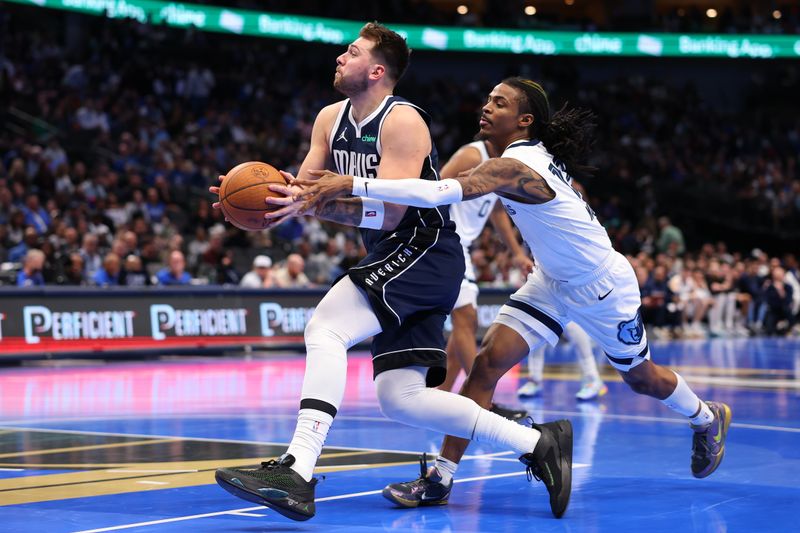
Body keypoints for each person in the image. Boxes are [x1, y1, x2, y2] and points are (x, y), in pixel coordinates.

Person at [293, 77, 732, 510]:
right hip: (550, 281)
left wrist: (352, 184)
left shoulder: (517, 164)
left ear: (523, 121)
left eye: (498, 103)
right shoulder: (513, 160)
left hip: (601, 285)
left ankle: (706, 417)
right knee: (484, 366)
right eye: (487, 99)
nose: (486, 107)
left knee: (642, 378)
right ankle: (441, 479)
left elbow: (441, 192)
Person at [212, 26, 571, 522]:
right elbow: (308, 189)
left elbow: (394, 213)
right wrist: (266, 200)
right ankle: (537, 441)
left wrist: (313, 204)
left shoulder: (403, 122)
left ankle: (296, 469)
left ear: (377, 71)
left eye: (353, 52)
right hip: (400, 255)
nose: (340, 57)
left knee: (326, 328)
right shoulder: (327, 119)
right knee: (401, 399)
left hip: (424, 248)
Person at [434, 137, 531, 420]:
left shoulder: (503, 165)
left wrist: (516, 253)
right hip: (447, 241)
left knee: (461, 331)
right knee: (466, 319)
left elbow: (497, 210)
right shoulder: (470, 155)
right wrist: (435, 238)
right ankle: (483, 403)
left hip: (460, 246)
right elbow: (433, 189)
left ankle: (438, 402)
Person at [517, 321, 608, 401]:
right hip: (548, 305)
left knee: (576, 333)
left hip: (570, 305)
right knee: (537, 335)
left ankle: (593, 380)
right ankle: (534, 381)